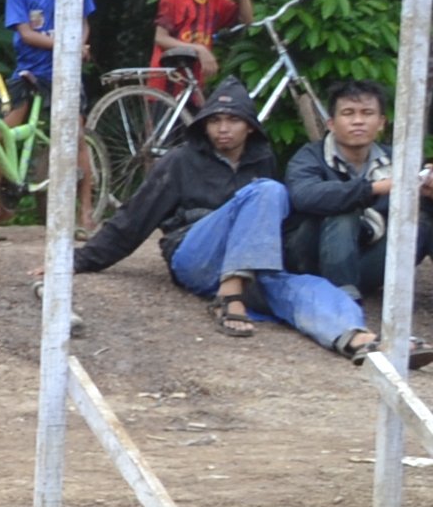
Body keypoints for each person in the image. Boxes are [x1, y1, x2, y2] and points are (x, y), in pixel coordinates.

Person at [75, 79, 378, 358]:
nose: (223, 128)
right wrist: (79, 261)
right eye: (215, 121)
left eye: (233, 120)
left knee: (308, 287)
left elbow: (268, 226)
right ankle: (229, 295)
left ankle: (353, 336)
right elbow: (133, 218)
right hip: (195, 255)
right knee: (268, 191)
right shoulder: (180, 160)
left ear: (249, 127)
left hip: (250, 263)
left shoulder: (263, 159)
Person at [285, 77, 431, 305]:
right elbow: (304, 195)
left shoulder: (398, 160)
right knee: (343, 209)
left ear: (381, 122)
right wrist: (374, 188)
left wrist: (428, 192)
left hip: (367, 262)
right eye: (348, 113)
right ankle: (343, 299)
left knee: (424, 222)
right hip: (311, 263)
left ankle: (349, 291)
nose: (358, 121)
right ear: (331, 123)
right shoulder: (309, 157)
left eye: (367, 113)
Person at [2, 0, 94, 120]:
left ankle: (84, 143)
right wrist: (70, 47)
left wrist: (78, 46)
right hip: (29, 67)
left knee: (74, 129)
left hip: (65, 69)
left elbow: (82, 24)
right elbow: (27, 35)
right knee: (13, 116)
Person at [154, 0, 249, 88]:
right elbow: (160, 38)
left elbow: (246, 19)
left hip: (196, 79)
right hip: (169, 78)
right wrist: (200, 49)